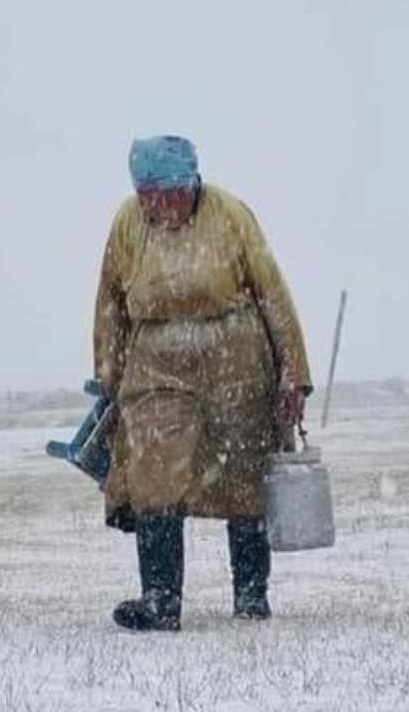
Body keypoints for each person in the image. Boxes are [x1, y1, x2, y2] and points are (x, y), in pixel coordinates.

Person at [93, 135, 313, 631]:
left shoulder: (231, 215)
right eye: (147, 194)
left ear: (191, 183)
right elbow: (109, 299)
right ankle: (160, 601)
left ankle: (251, 596)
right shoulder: (128, 223)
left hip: (234, 360)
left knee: (242, 477)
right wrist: (107, 374)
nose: (158, 205)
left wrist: (293, 373)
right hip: (155, 364)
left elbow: (273, 294)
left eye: (168, 193)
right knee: (153, 470)